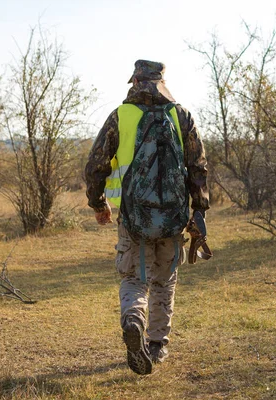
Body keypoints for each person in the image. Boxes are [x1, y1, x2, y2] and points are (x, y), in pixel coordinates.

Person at [84, 60, 209, 375]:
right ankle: (156, 344)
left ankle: (134, 320)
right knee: (164, 280)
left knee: (134, 278)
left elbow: (96, 164)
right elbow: (198, 167)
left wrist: (99, 203)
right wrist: (199, 211)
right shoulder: (182, 116)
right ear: (162, 81)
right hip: (173, 219)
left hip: (134, 219)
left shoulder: (120, 116)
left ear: (136, 81)